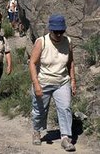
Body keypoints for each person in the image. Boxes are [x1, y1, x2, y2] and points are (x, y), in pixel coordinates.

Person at [28, 14, 77, 151]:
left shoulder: (68, 41)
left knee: (65, 108)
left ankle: (66, 137)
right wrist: (36, 84)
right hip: (43, 81)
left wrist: (73, 80)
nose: (59, 34)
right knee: (39, 110)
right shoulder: (41, 42)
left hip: (62, 81)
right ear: (50, 30)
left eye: (61, 31)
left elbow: (71, 62)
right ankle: (37, 131)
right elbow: (32, 63)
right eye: (56, 32)